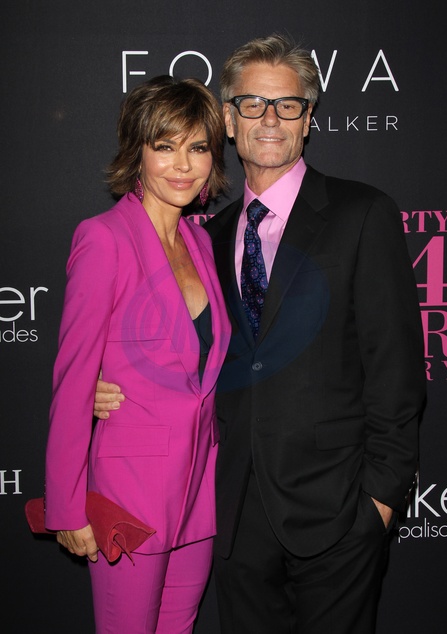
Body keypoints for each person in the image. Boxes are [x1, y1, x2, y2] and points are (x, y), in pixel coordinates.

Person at [94, 35, 426, 633]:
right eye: (253, 103)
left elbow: (397, 371)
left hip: (338, 512)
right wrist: (104, 386)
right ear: (228, 119)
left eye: (287, 105)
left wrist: (379, 502)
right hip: (231, 515)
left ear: (308, 119)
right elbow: (179, 351)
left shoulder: (363, 213)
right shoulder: (204, 237)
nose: (270, 119)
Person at [44, 75, 231, 634]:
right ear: (137, 152)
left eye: (198, 147)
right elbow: (73, 379)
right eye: (165, 145)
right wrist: (66, 506)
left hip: (197, 495)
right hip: (129, 495)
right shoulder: (104, 239)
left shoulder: (201, 241)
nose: (183, 165)